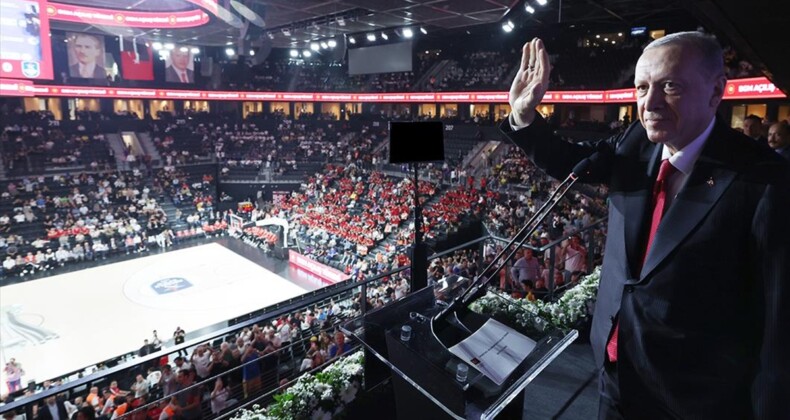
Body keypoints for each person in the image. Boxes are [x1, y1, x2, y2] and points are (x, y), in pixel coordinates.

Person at [501, 33, 790, 419]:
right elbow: (569, 160)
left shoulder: (765, 182)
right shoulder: (637, 142)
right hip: (615, 377)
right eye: (641, 87)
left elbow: (779, 336)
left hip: (693, 399)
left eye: (670, 86)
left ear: (716, 90)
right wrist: (523, 117)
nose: (649, 103)